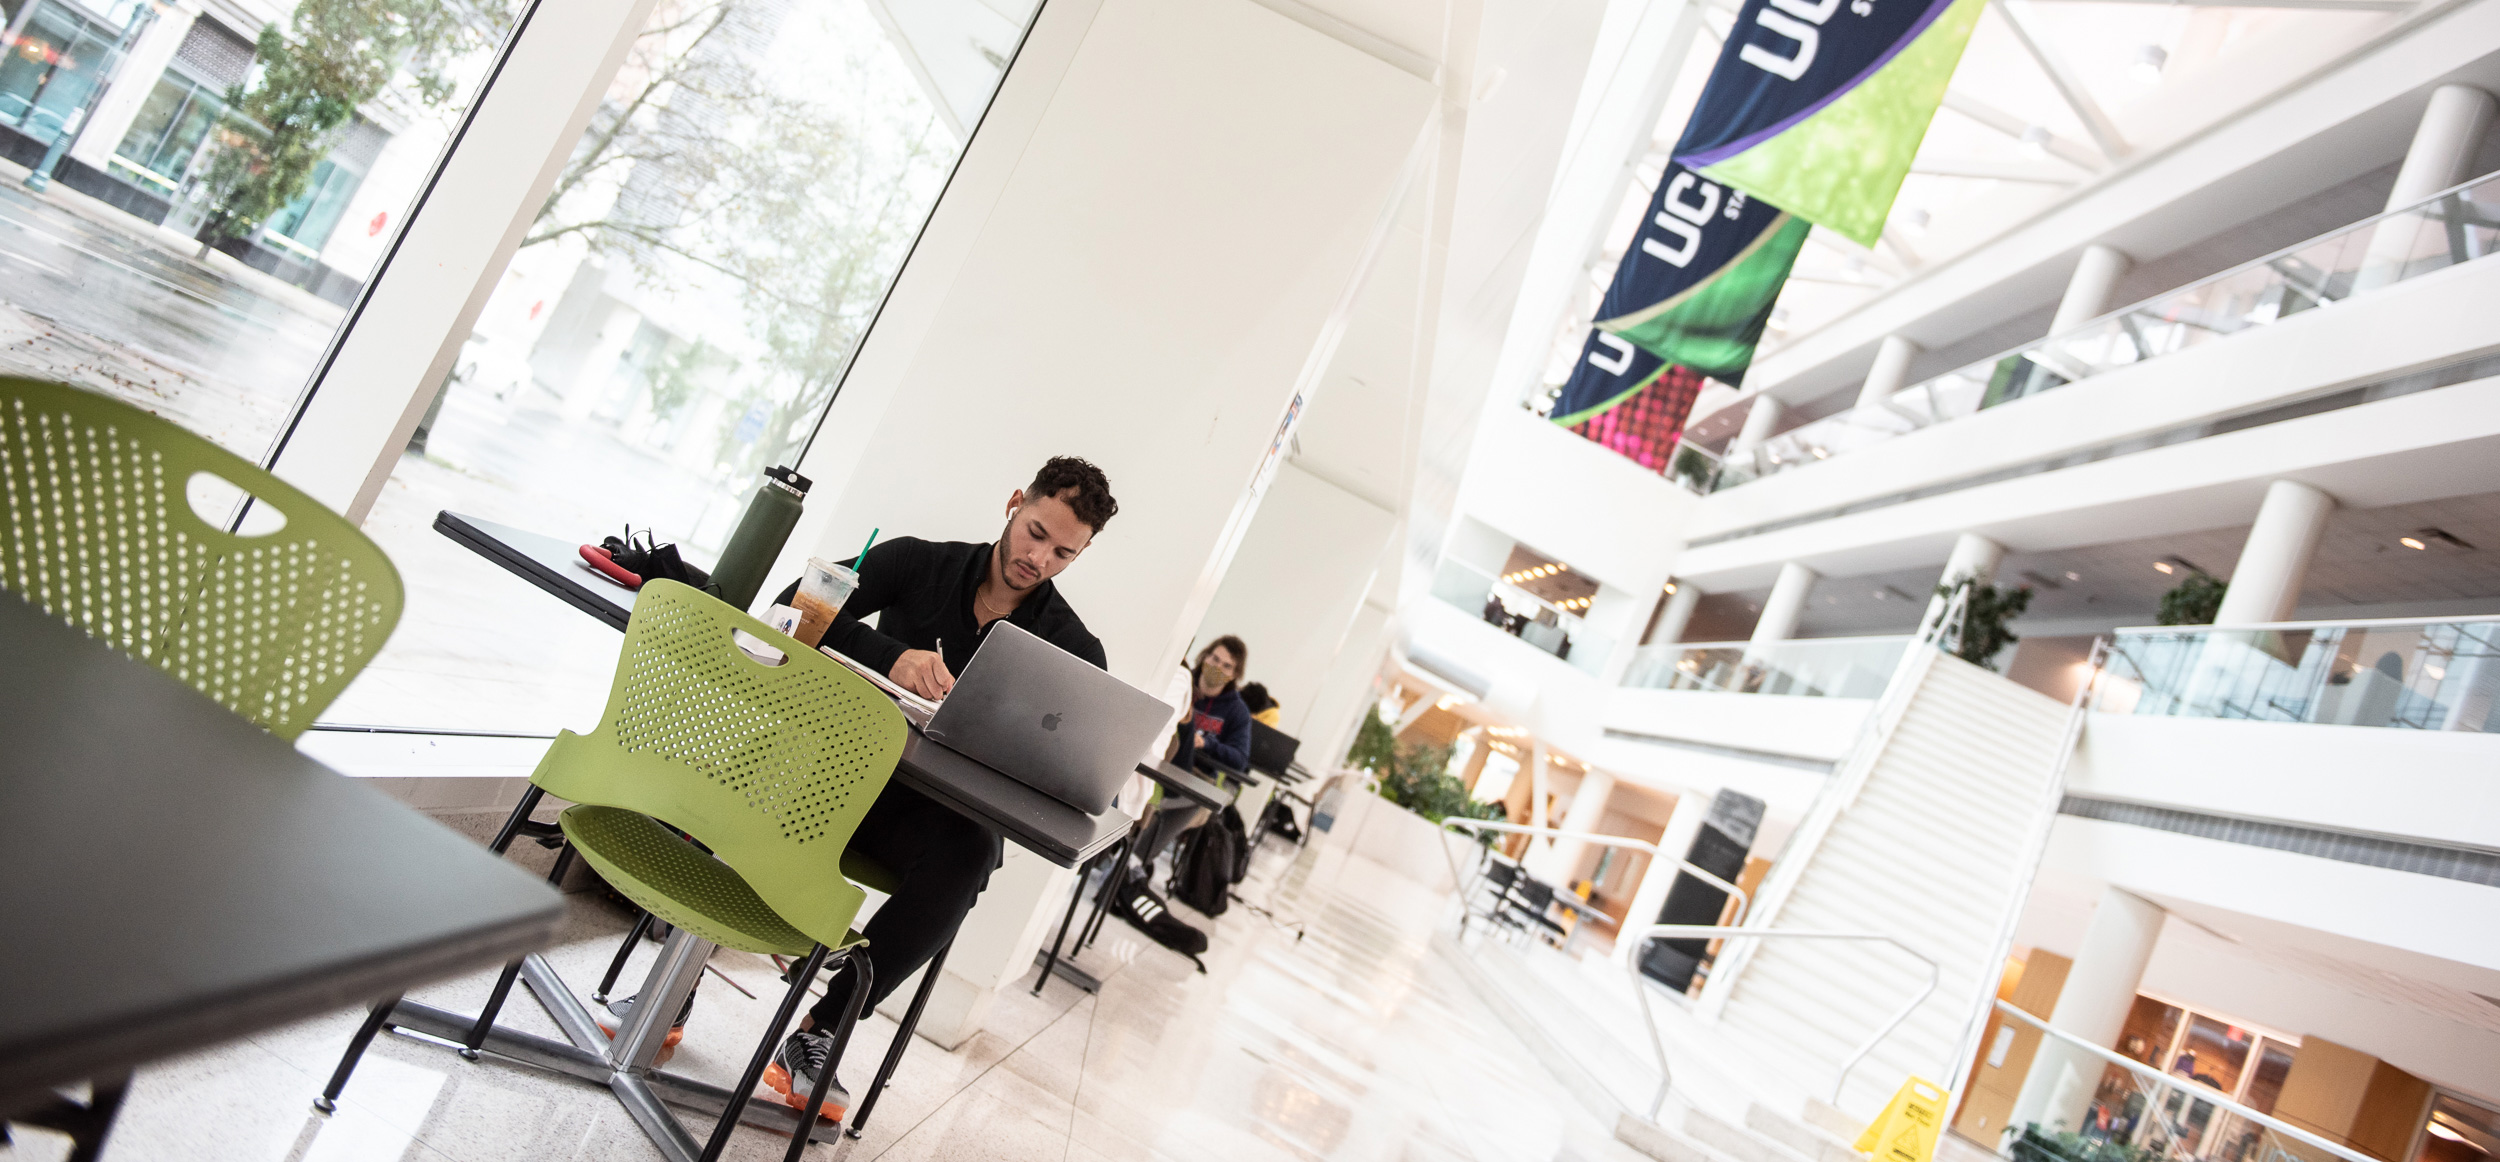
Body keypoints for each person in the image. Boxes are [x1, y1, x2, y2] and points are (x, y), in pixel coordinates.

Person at [603, 456, 1118, 1124]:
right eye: (1036, 532)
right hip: (826, 770)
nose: (1039, 557)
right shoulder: (914, 562)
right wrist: (891, 657)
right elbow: (792, 607)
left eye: (1063, 553)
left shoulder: (1072, 649)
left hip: (918, 818)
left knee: (971, 856)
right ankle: (677, 981)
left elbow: (1068, 767)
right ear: (1016, 502)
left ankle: (822, 1024)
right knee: (761, 767)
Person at [1130, 637, 1253, 874]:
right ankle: (1135, 861)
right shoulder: (1180, 683)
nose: (1217, 667)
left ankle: (1135, 858)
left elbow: (1240, 758)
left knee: (1197, 796)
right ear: (1204, 656)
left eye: (1226, 666)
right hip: (1161, 758)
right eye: (1214, 659)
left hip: (1196, 772)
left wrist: (1207, 743)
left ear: (1235, 674)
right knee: (1189, 798)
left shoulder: (1237, 711)